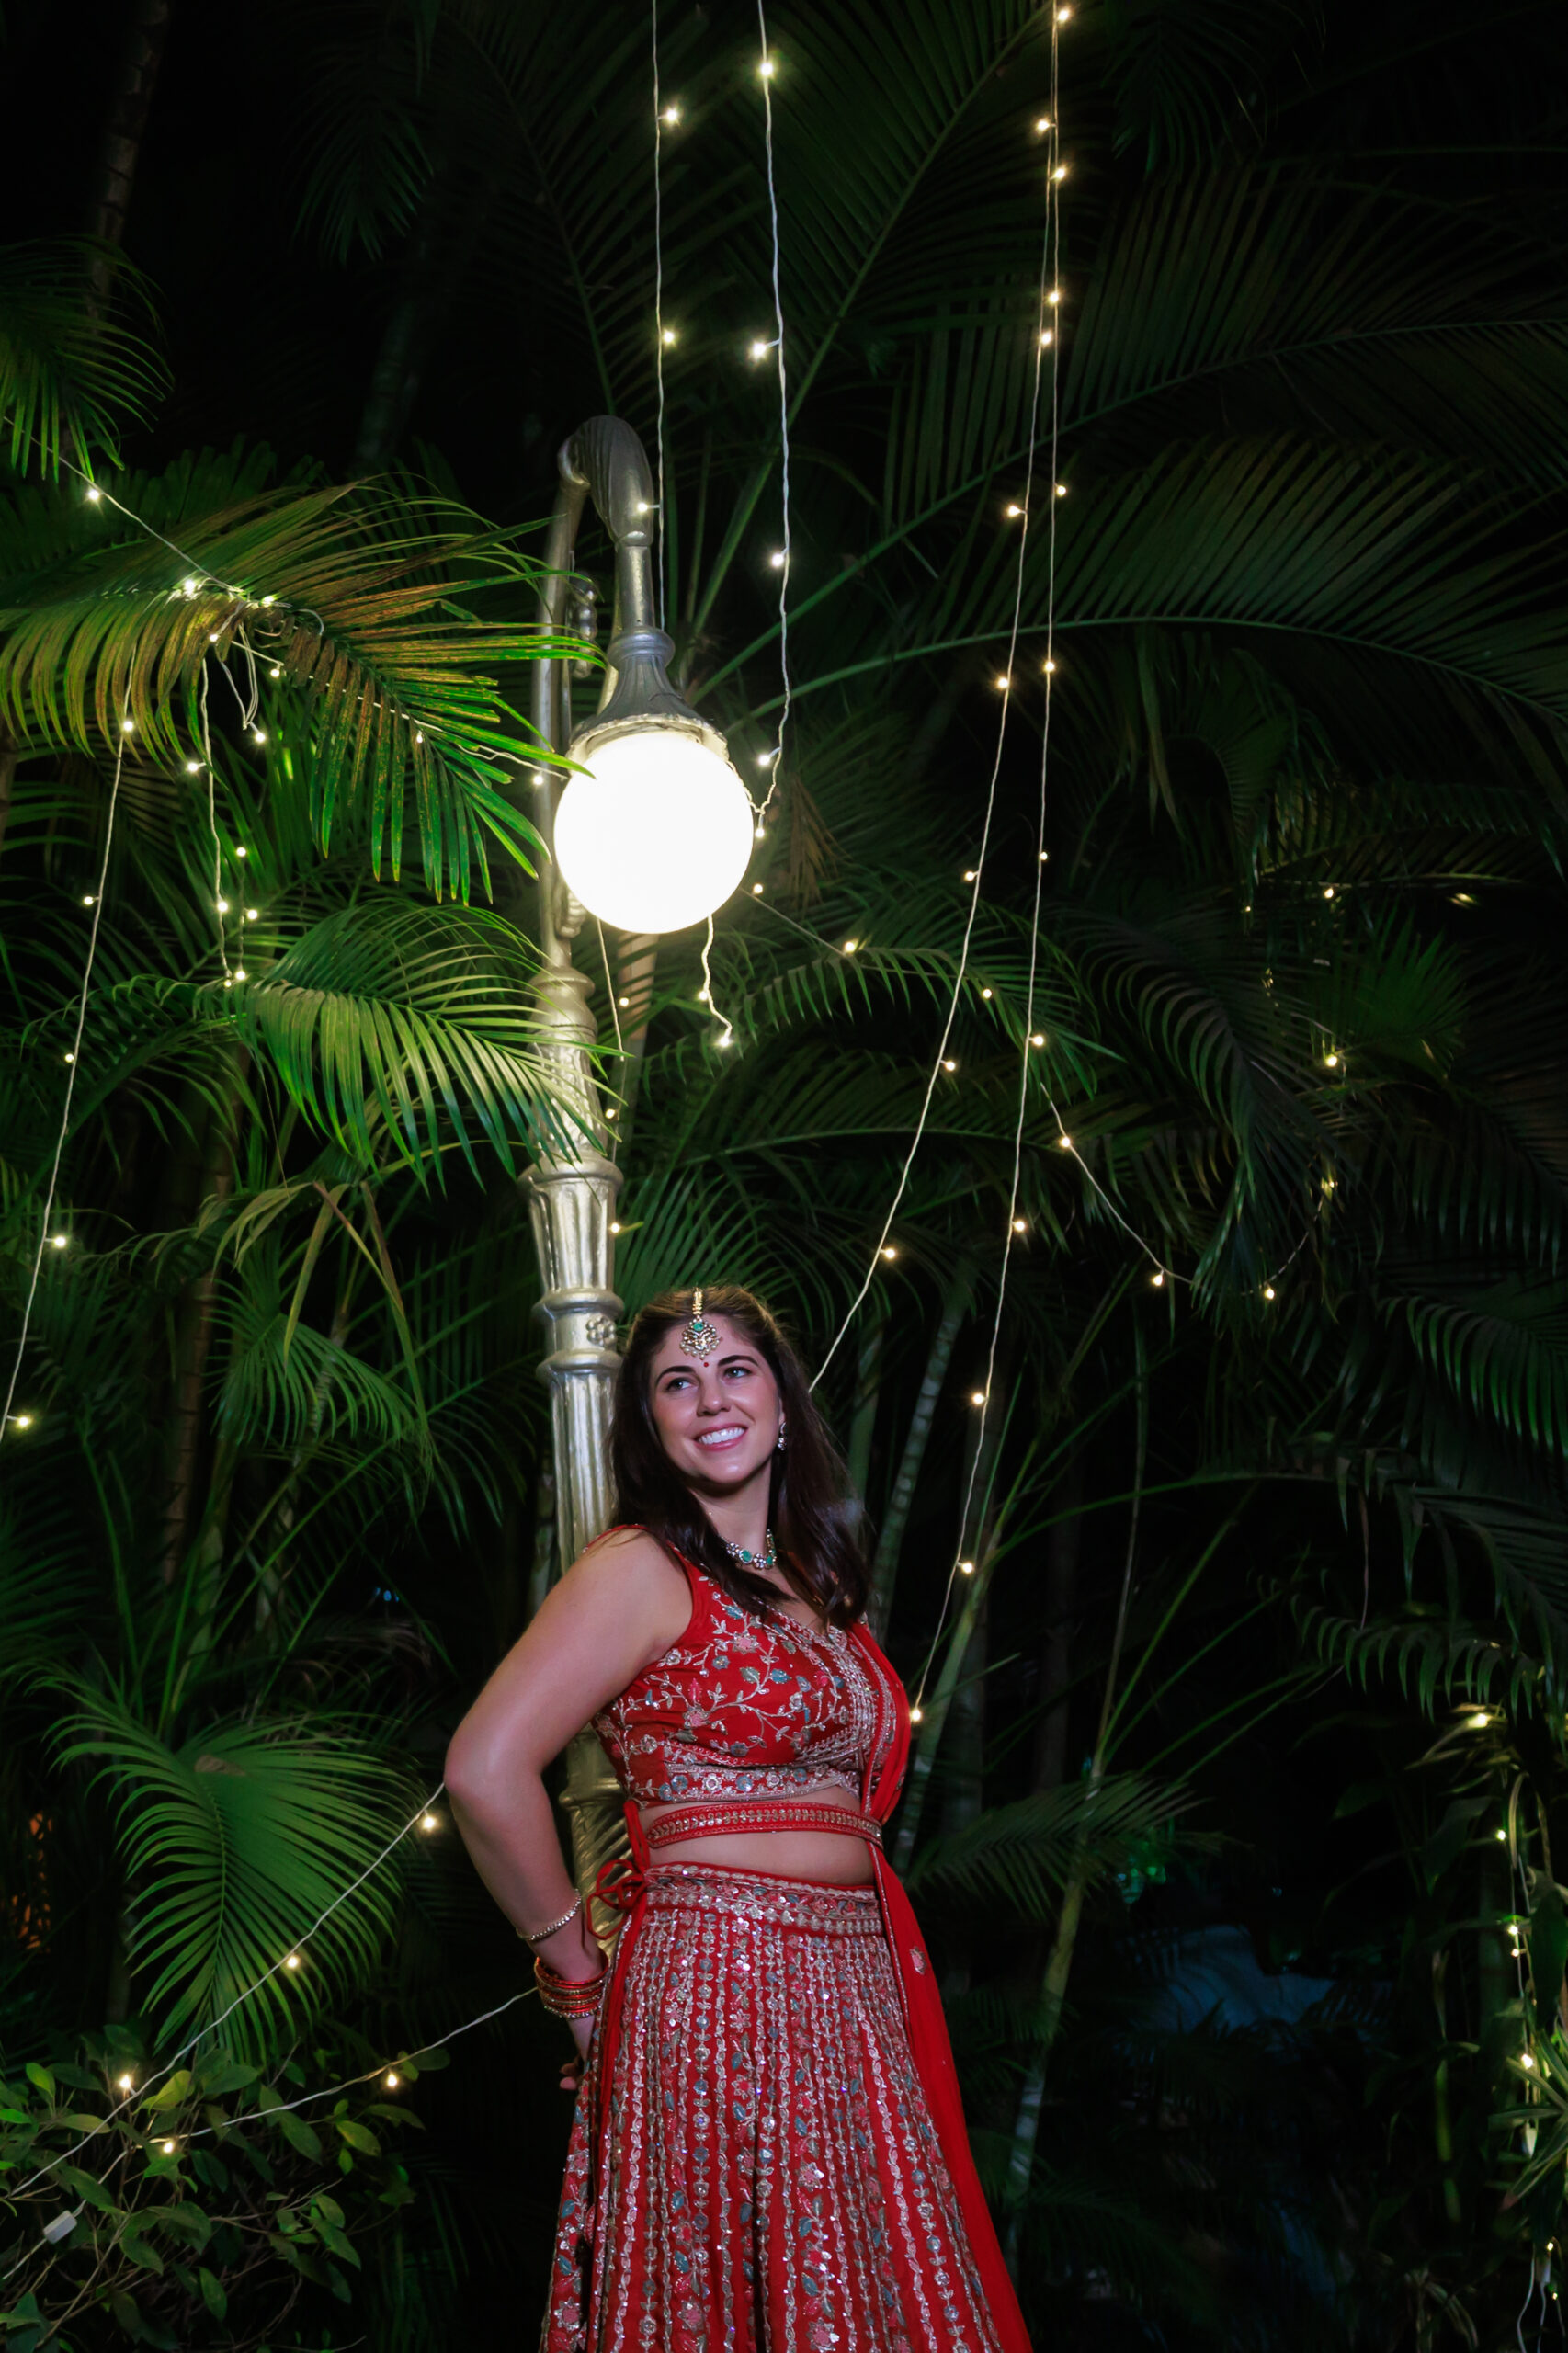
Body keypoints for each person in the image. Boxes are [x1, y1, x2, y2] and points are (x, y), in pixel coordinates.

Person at [446, 1284, 1033, 2353]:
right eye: (678, 1381)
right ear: (649, 1424)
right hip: (720, 1980)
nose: (710, 1398)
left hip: (854, 1994)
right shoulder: (638, 1568)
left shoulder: (819, 1580)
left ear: (781, 1400)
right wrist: (576, 1979)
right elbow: (484, 1768)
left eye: (733, 1370)